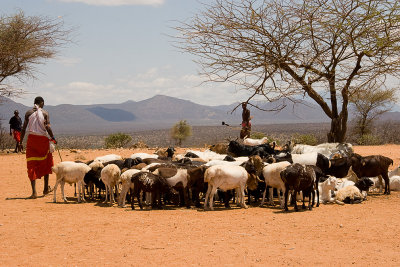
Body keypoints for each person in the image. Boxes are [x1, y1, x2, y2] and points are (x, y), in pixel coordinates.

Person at [20, 96, 57, 199]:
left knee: (31, 164)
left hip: (32, 140)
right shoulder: (45, 113)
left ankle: (34, 192)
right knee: (46, 162)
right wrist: (53, 138)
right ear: (41, 103)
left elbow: (23, 129)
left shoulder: (28, 113)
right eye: (43, 103)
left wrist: (20, 142)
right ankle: (45, 189)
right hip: (43, 140)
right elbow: (48, 127)